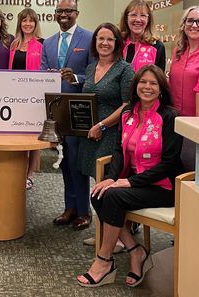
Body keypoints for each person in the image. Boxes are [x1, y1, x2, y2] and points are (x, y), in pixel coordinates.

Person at [78, 65, 183, 288]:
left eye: (153, 83)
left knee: (114, 197)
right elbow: (118, 150)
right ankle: (136, 251)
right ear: (135, 87)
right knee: (99, 193)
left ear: (161, 88)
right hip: (134, 181)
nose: (147, 87)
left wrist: (128, 181)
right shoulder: (128, 114)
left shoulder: (170, 116)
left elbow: (169, 163)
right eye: (143, 82)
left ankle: (104, 261)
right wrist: (112, 177)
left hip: (163, 186)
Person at [40, 0, 93, 231]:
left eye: (68, 11)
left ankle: (84, 210)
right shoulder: (48, 43)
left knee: (76, 161)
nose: (64, 14)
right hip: (55, 111)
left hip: (78, 109)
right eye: (60, 10)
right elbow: (42, 73)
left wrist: (77, 78)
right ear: (54, 14)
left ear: (77, 13)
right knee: (63, 162)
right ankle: (69, 208)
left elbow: (93, 72)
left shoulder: (89, 38)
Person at [77, 23, 133, 181]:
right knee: (94, 179)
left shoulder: (125, 69)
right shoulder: (90, 68)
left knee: (105, 180)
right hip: (90, 134)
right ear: (95, 41)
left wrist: (102, 125)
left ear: (116, 43)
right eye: (101, 38)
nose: (105, 43)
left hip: (110, 134)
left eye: (110, 39)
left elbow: (127, 105)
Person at [168, 6, 199, 168]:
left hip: (197, 121)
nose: (194, 25)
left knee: (192, 166)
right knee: (173, 166)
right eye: (190, 20)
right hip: (174, 120)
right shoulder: (177, 51)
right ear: (183, 24)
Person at [8, 8, 44, 189]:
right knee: (18, 134)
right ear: (20, 23)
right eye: (24, 21)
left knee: (33, 137)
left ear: (36, 24)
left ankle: (30, 173)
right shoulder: (14, 44)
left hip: (34, 96)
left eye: (31, 21)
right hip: (16, 96)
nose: (27, 24)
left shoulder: (42, 44)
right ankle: (18, 170)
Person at [119, 0, 166, 72]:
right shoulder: (118, 44)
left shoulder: (157, 47)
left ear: (148, 20)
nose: (138, 20)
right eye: (133, 15)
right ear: (126, 18)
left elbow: (158, 80)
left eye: (143, 15)